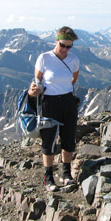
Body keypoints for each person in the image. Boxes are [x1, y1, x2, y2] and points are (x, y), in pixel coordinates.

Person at [28, 26, 80, 191]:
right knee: (49, 140)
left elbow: (73, 79)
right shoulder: (44, 58)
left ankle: (66, 173)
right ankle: (48, 177)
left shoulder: (73, 60)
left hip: (68, 101)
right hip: (49, 103)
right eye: (62, 45)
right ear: (56, 41)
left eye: (69, 46)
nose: (65, 49)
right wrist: (34, 91)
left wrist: (63, 89)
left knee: (68, 139)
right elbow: (36, 81)